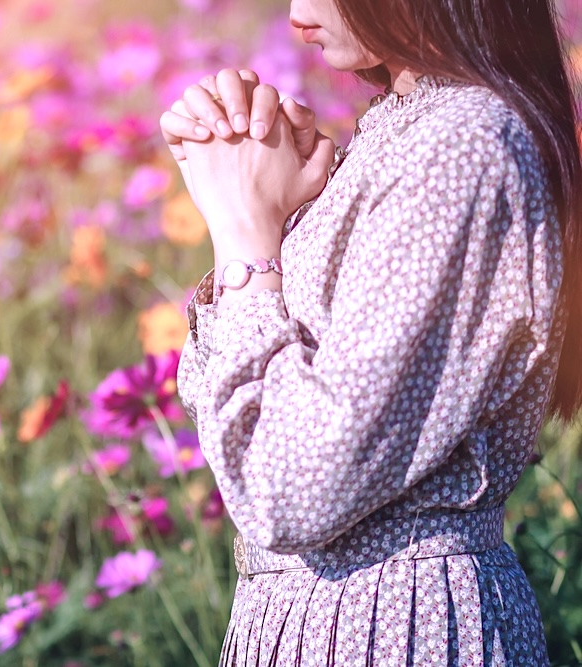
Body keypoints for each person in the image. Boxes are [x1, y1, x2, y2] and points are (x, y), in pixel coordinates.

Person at [158, 0, 581, 664]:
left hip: (394, 625)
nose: (297, 14)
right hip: (328, 618)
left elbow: (293, 489)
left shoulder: (462, 147)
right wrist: (268, 198)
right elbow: (231, 419)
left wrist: (243, 234)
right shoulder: (406, 133)